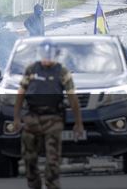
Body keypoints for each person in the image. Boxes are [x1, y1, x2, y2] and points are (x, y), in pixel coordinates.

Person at [12, 40, 84, 189]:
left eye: (50, 55)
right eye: (44, 55)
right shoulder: (31, 70)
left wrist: (78, 123)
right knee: (29, 159)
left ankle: (52, 185)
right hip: (32, 118)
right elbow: (21, 94)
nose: (47, 59)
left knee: (53, 160)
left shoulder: (62, 71)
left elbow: (72, 98)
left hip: (53, 119)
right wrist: (16, 118)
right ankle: (34, 185)